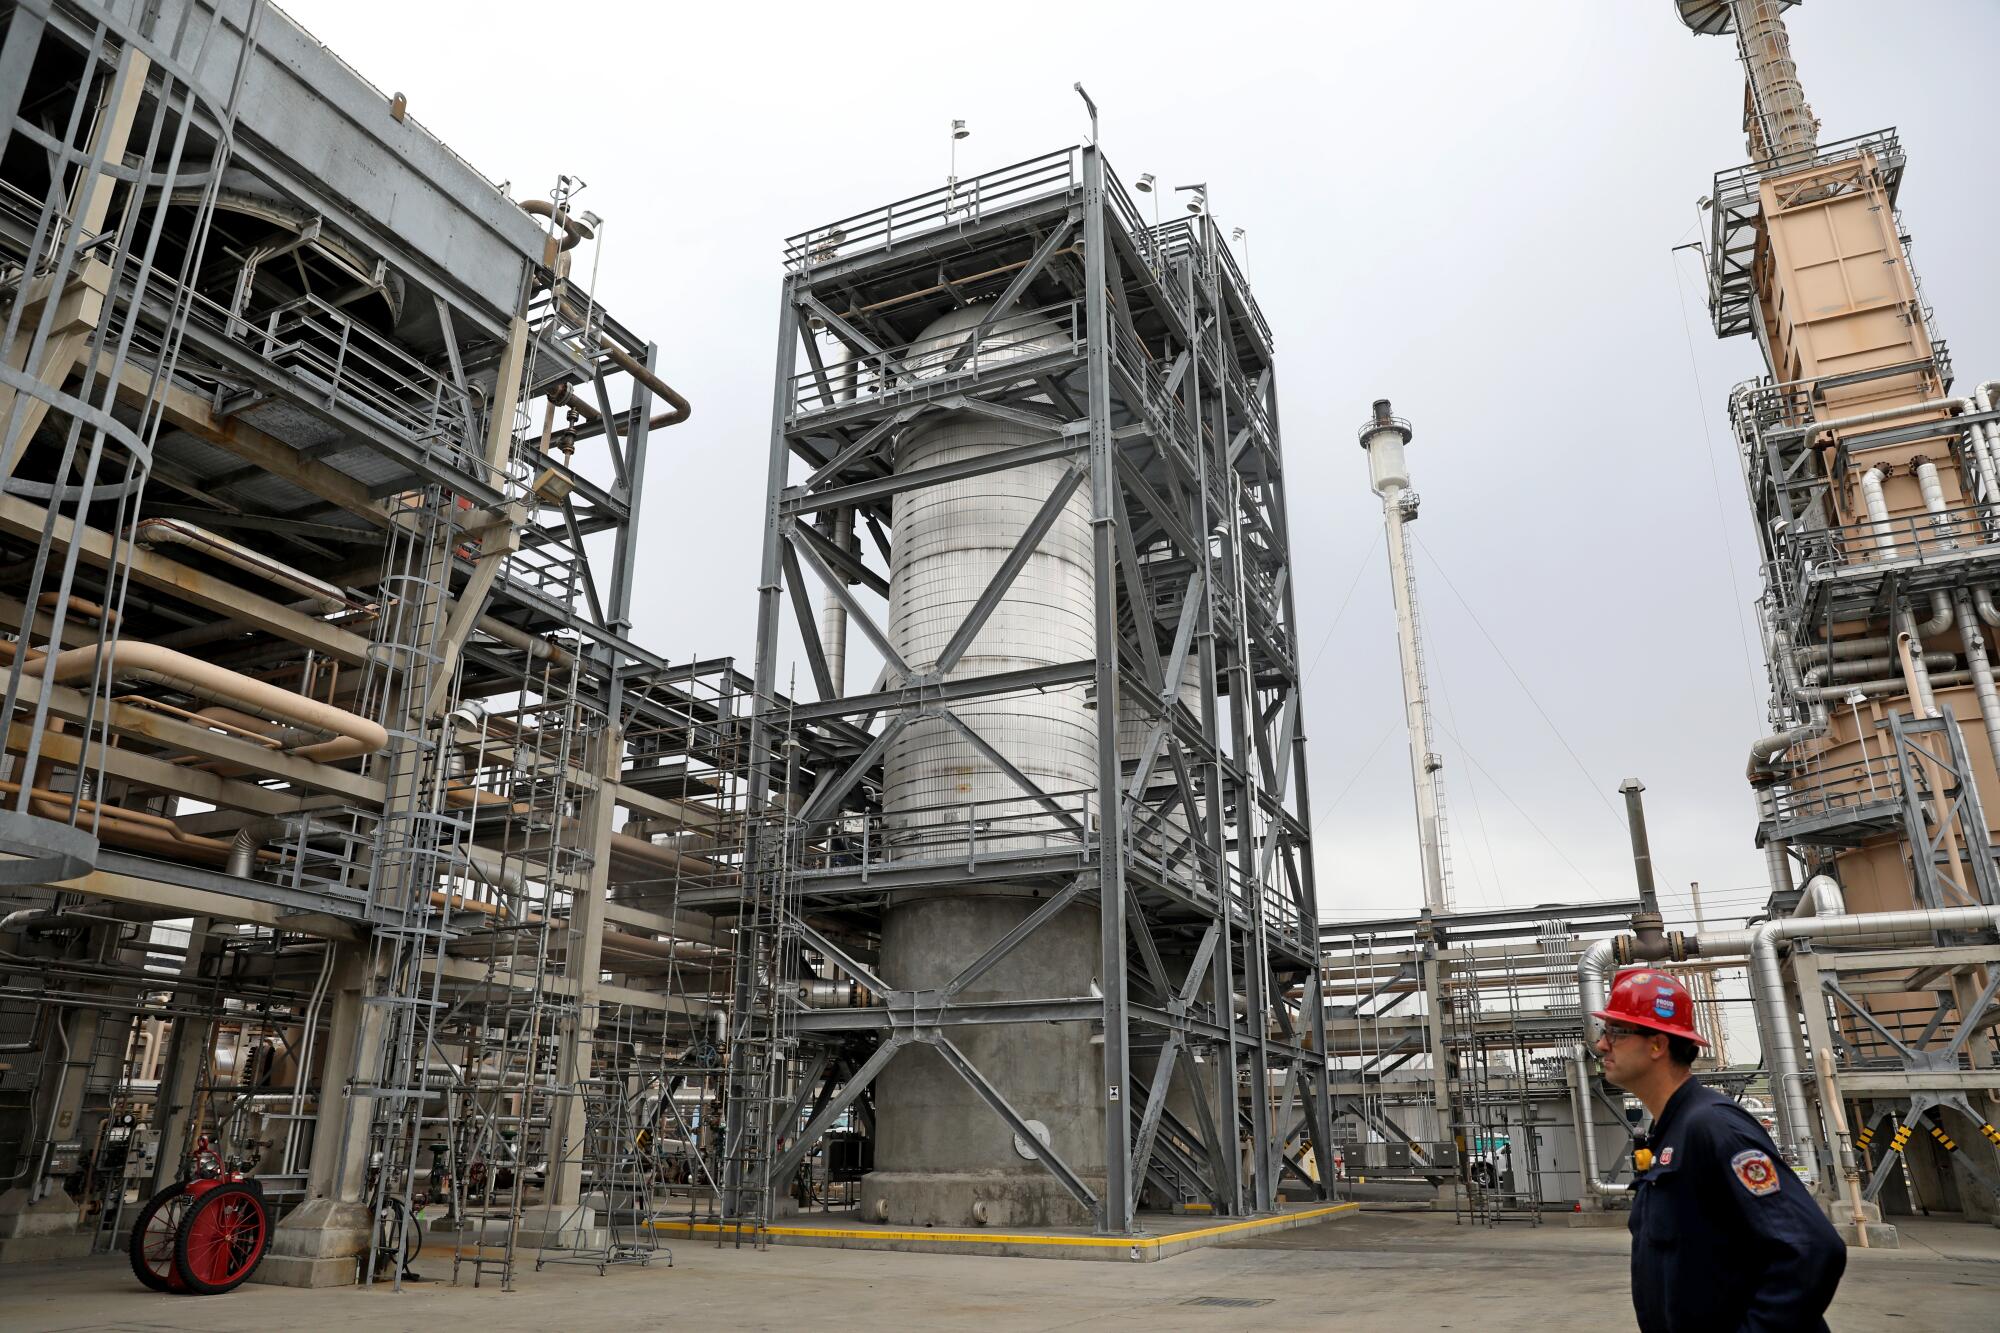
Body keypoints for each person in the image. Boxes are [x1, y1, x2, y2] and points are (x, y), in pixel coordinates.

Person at [1592, 967, 1846, 1332]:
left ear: (1657, 1045)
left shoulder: (1713, 1127)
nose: (1602, 1044)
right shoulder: (1669, 1131)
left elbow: (1810, 1248)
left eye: (1616, 1032)